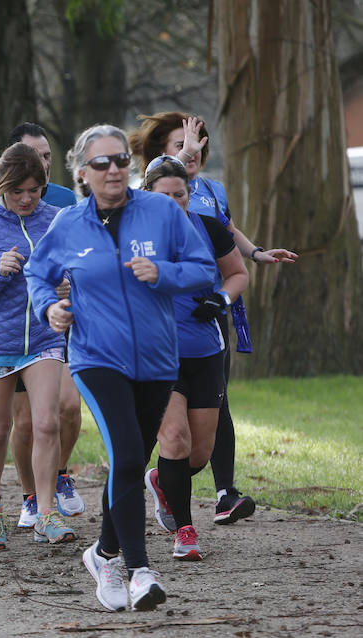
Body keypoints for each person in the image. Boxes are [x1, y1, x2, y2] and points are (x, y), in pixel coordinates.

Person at [25, 124, 216, 611]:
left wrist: (165, 274)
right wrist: (50, 307)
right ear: (82, 173)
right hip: (95, 357)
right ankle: (139, 571)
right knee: (129, 454)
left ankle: (103, 552)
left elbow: (204, 269)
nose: (114, 170)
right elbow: (37, 273)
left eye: (120, 161)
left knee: (130, 464)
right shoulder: (68, 224)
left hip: (156, 360)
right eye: (101, 163)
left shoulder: (161, 212)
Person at [129, 112, 298, 524]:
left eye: (200, 146)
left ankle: (193, 483)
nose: (193, 152)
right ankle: (182, 524)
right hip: (155, 344)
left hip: (207, 329)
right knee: (173, 433)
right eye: (183, 146)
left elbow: (229, 241)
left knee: (203, 436)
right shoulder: (135, 215)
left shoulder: (208, 204)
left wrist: (252, 259)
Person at [0, 142, 76, 550]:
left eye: (34, 191)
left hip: (43, 337)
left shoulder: (58, 220)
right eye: (17, 191)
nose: (26, 200)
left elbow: (79, 270)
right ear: (1, 186)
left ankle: (46, 512)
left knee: (46, 422)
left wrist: (68, 286)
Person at [140, 155, 248, 560]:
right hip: (156, 353)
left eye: (179, 194)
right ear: (147, 195)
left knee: (199, 452)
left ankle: (162, 480)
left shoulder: (207, 226)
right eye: (164, 195)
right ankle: (185, 531)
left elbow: (237, 273)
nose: (173, 202)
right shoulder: (133, 234)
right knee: (175, 438)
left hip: (205, 350)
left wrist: (220, 300)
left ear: (189, 193)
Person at [0, 123, 85, 527]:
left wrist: (67, 284)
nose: (39, 165)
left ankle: (52, 488)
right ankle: (20, 499)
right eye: (30, 156)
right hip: (3, 335)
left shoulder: (61, 207)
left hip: (51, 331)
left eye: (46, 157)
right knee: (11, 425)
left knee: (62, 411)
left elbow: (80, 261)